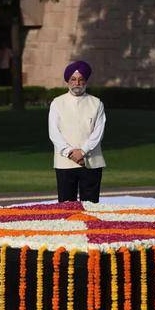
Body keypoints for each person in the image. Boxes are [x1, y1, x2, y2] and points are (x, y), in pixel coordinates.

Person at [48, 60, 106, 203]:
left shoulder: (97, 103)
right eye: (73, 79)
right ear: (68, 81)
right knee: (66, 207)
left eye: (81, 79)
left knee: (91, 207)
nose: (77, 83)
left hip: (91, 162)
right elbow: (54, 133)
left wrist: (83, 152)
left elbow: (98, 132)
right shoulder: (57, 103)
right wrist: (70, 152)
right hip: (65, 162)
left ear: (86, 81)